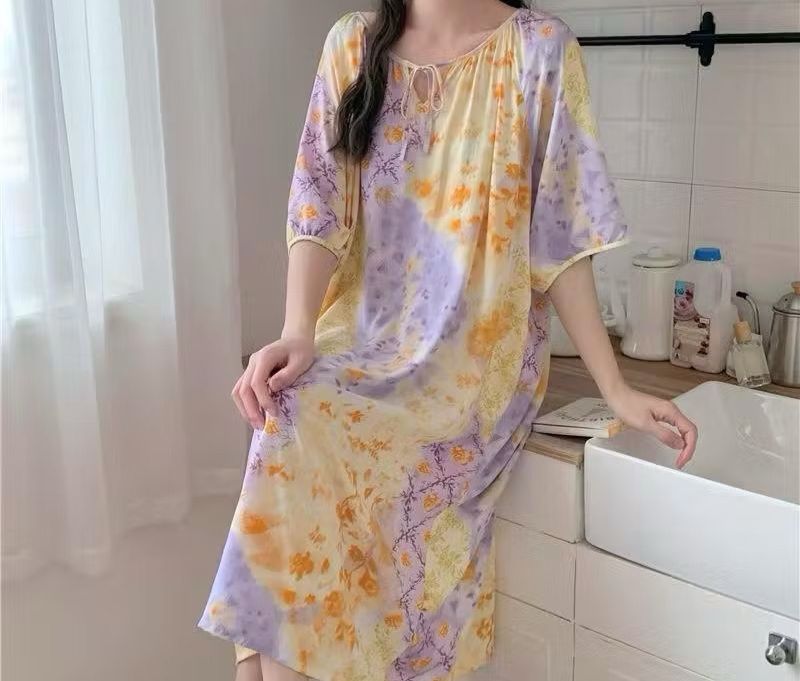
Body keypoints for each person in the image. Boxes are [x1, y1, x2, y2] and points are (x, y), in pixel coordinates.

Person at [199, 1, 698, 680]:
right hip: (364, 336)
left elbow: (562, 240)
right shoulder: (353, 44)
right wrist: (297, 330)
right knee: (288, 413)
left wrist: (614, 387)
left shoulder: (538, 50)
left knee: (295, 448)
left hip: (475, 362)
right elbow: (318, 206)